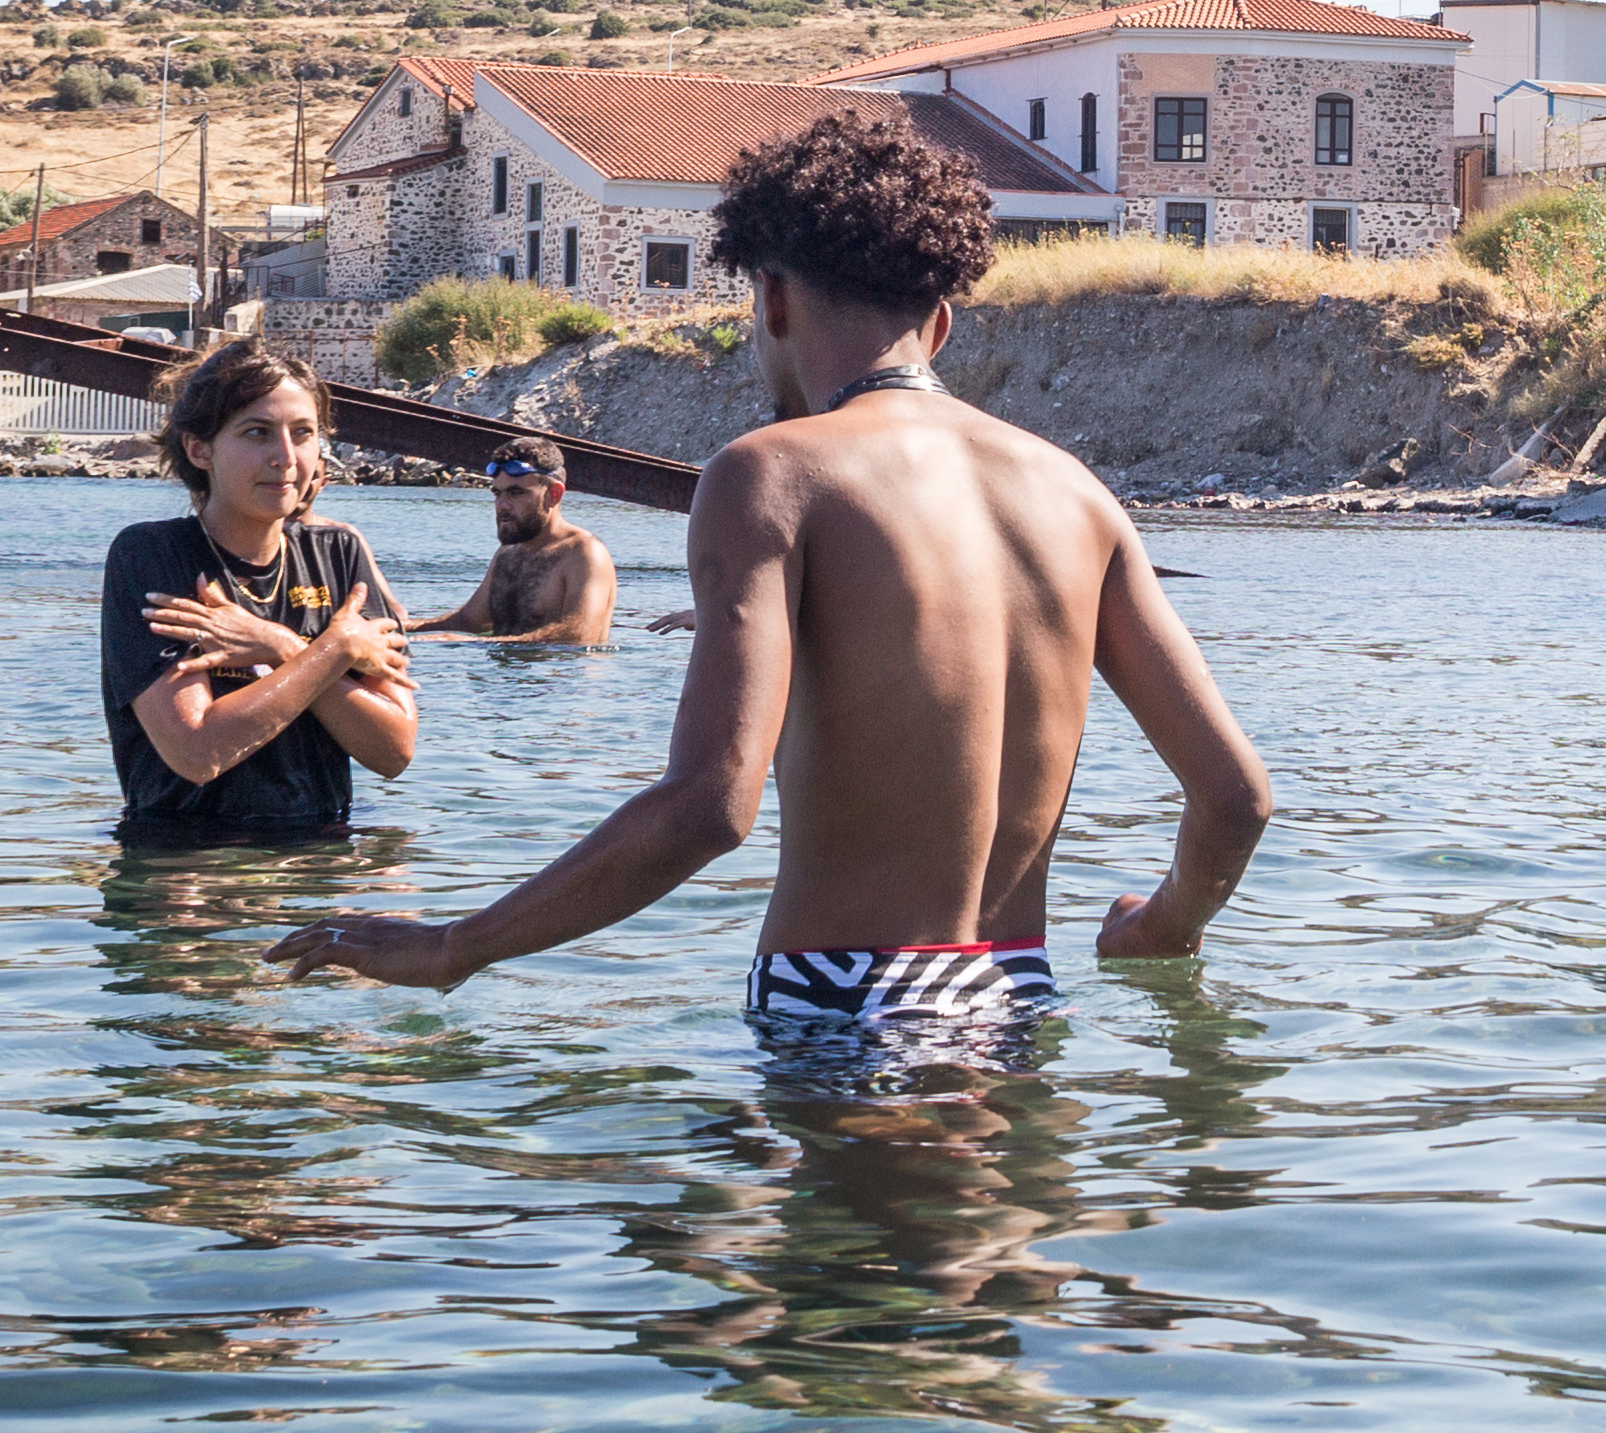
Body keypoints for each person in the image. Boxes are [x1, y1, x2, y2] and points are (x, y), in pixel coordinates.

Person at [271, 109, 1271, 1020]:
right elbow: (1235, 795)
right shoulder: (1074, 495)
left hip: (843, 997)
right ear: (942, 323)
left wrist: (455, 946)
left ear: (776, 300)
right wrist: (1166, 926)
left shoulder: (772, 474)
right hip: (1016, 990)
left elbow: (709, 807)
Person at [101, 343, 417, 851]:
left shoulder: (340, 554)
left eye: (303, 433)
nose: (286, 459)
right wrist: (334, 650)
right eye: (257, 433)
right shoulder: (153, 555)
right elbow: (197, 751)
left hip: (323, 849)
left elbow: (394, 750)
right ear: (199, 449)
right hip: (187, 858)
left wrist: (283, 647)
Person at [410, 437, 618, 646]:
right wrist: (394, 628)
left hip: (559, 677)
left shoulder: (584, 552)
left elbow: (579, 636)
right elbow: (468, 621)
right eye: (497, 493)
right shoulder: (508, 552)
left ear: (553, 494)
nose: (502, 505)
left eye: (516, 493)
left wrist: (472, 642)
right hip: (501, 675)